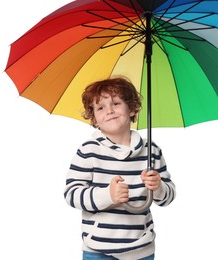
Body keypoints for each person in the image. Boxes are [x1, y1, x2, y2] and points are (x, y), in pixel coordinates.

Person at [64, 76, 176, 260]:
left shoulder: (151, 151)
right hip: (98, 250)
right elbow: (71, 194)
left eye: (116, 103)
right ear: (94, 118)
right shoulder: (89, 150)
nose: (109, 111)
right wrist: (108, 195)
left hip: (141, 249)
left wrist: (158, 187)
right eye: (100, 107)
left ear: (132, 109)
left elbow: (168, 197)